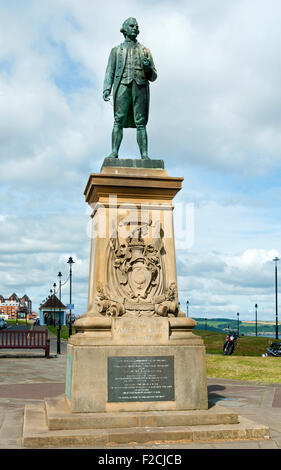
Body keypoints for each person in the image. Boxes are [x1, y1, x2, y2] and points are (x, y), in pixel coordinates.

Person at [103, 17, 157, 159]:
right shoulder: (116, 50)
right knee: (118, 120)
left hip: (140, 86)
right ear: (124, 29)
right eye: (132, 26)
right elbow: (110, 71)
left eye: (137, 26)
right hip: (122, 85)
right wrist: (106, 88)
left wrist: (147, 67)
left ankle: (144, 155)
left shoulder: (145, 50)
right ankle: (114, 152)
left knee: (141, 122)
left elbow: (153, 76)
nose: (135, 28)